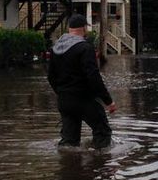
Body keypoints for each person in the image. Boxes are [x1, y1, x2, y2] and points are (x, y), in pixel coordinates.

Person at [48, 14, 116, 149]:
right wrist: (108, 101)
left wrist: (62, 93)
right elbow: (93, 77)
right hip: (83, 99)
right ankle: (101, 165)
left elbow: (51, 77)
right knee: (103, 131)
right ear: (84, 28)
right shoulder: (85, 48)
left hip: (64, 100)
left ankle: (68, 166)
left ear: (69, 29)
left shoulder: (55, 49)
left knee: (69, 142)